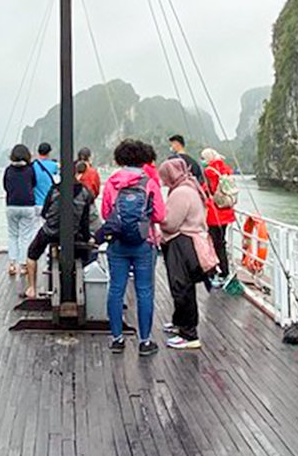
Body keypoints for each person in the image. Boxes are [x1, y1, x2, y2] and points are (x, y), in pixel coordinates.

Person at [98, 138, 166, 356]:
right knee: (144, 291)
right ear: (143, 158)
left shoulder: (111, 182)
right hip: (144, 243)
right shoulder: (149, 183)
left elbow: (105, 213)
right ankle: (145, 342)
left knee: (116, 289)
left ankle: (117, 339)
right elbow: (160, 215)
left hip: (117, 243)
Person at [21, 158, 101, 299]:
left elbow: (45, 213)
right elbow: (85, 221)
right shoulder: (85, 192)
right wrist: (87, 237)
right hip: (75, 234)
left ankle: (32, 289)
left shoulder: (54, 190)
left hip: (51, 232)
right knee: (84, 255)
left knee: (31, 254)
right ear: (76, 173)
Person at [158, 158, 208, 349]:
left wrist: (159, 219)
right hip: (191, 241)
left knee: (181, 287)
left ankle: (189, 334)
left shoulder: (180, 193)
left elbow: (171, 222)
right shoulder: (190, 188)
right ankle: (180, 323)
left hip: (181, 242)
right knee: (185, 286)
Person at [3, 144, 39, 277]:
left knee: (13, 235)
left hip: (11, 205)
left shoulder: (8, 170)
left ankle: (12, 264)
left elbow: (5, 186)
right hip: (28, 205)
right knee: (26, 236)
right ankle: (24, 265)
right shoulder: (30, 170)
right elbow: (34, 183)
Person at [201, 147, 236, 284]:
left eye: (204, 158)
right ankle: (224, 272)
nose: (203, 161)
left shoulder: (209, 172)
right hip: (226, 212)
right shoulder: (225, 169)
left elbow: (207, 190)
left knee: (213, 243)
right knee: (221, 242)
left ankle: (215, 272)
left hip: (214, 213)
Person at [32, 141, 60, 206]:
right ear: (49, 153)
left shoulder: (33, 166)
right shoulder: (54, 166)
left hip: (37, 203)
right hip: (49, 203)